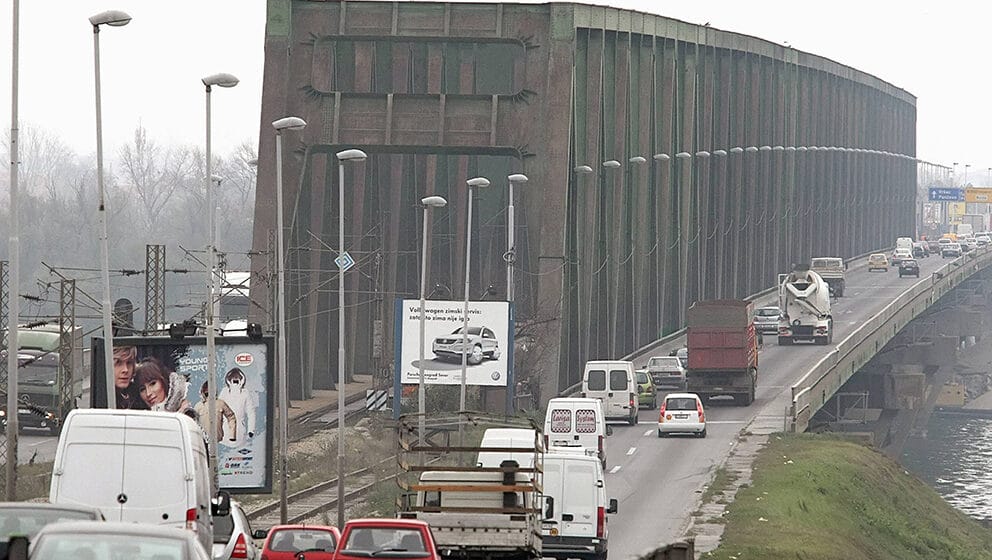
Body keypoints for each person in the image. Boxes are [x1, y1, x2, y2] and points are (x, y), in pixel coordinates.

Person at [218, 367, 257, 445]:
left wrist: (251, 430)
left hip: (240, 433)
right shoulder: (224, 392)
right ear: (229, 379)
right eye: (233, 377)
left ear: (241, 379)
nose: (235, 379)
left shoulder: (245, 393)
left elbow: (251, 413)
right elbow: (218, 410)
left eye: (237, 377)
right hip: (224, 431)